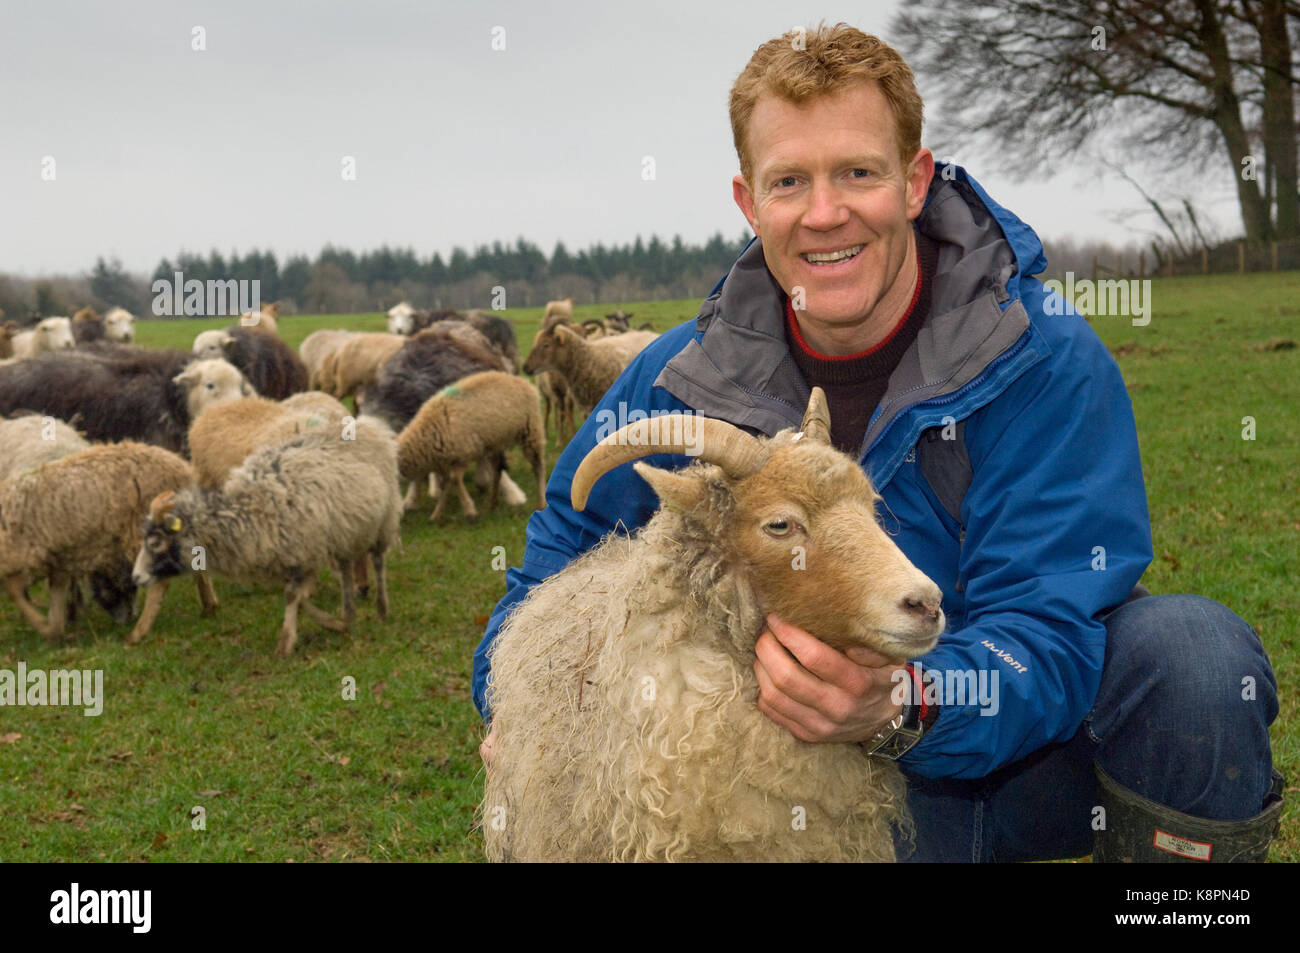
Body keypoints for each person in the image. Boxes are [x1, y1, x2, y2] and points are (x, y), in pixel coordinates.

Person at [473, 23, 1283, 862]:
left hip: (1015, 766)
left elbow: (1048, 616)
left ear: (913, 181)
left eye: (857, 172)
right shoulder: (679, 376)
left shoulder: (1038, 358)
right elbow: (559, 556)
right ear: (751, 202)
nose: (825, 215)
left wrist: (908, 701)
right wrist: (514, 703)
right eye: (790, 181)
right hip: (786, 790)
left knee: (1194, 659)